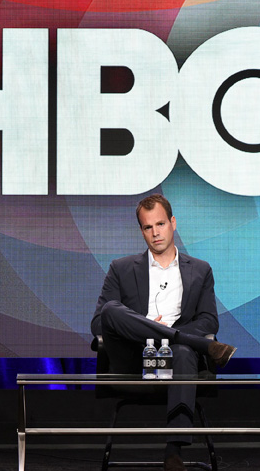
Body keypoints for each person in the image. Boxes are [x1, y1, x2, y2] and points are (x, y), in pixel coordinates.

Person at [91, 194, 236, 471]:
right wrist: (146, 327)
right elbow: (99, 323)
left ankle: (174, 452)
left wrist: (168, 334)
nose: (155, 233)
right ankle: (192, 342)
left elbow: (209, 320)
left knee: (181, 351)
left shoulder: (200, 270)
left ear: (172, 223)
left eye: (160, 224)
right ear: (141, 231)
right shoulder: (120, 268)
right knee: (111, 309)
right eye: (148, 227)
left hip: (176, 359)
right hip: (133, 357)